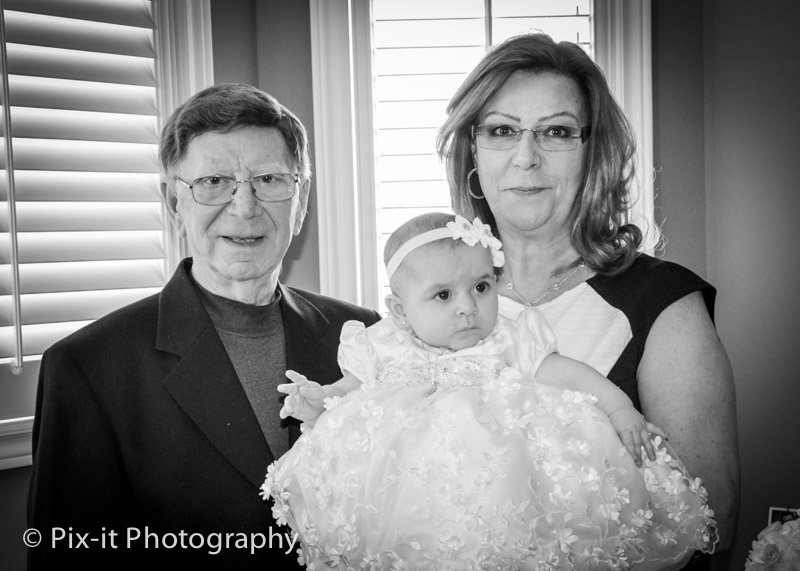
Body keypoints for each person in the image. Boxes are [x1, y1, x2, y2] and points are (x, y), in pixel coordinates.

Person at [26, 83, 380, 569]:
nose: (244, 206)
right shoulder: (88, 368)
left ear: (300, 202)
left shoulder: (364, 335)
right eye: (214, 181)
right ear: (175, 204)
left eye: (269, 179)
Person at [263, 212, 717, 570]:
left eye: (480, 287)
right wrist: (319, 401)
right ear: (400, 311)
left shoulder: (507, 337)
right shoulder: (383, 343)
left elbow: (565, 372)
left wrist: (619, 408)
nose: (468, 307)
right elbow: (351, 391)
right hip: (407, 487)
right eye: (443, 295)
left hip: (498, 478)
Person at [436, 32, 740, 564]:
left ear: (592, 153)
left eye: (555, 132)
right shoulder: (437, 302)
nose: (526, 157)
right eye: (502, 130)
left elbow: (712, 520)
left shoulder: (663, 304)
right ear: (473, 152)